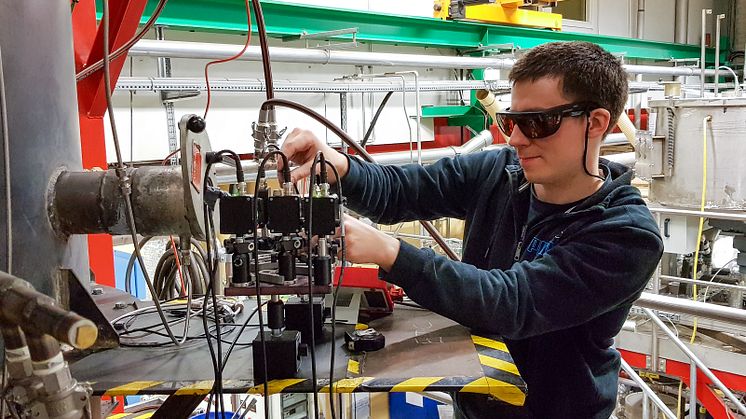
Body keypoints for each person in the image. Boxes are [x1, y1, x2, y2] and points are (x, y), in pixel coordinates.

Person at [280, 41, 663, 418]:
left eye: (537, 123)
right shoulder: (499, 173)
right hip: (476, 402)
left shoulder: (626, 234)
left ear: (595, 123)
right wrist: (338, 166)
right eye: (511, 122)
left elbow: (512, 303)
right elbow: (400, 191)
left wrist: (389, 252)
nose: (516, 139)